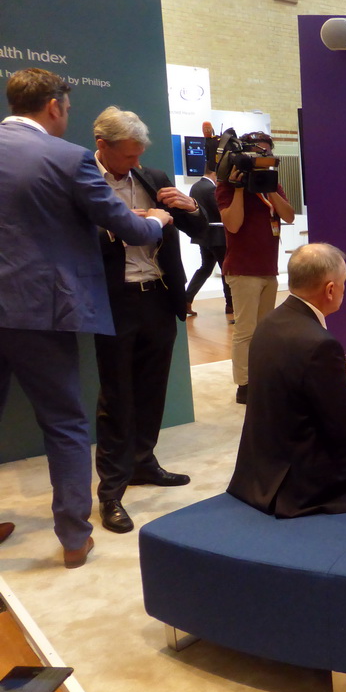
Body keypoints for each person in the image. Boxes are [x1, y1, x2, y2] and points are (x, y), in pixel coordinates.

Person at [0, 68, 169, 567]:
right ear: (54, 106)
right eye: (67, 109)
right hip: (41, 311)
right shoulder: (67, 158)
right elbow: (125, 226)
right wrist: (156, 221)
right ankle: (74, 538)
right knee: (65, 424)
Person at [92, 106, 207, 534]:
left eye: (140, 154)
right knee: (116, 396)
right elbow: (70, 236)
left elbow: (200, 232)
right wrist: (125, 227)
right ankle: (111, 491)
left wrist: (189, 206)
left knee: (153, 387)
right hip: (114, 300)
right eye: (128, 155)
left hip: (158, 297)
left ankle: (143, 462)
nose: (135, 163)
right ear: (102, 146)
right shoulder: (84, 179)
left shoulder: (152, 177)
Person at [227, 243, 346, 518]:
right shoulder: (319, 344)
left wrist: (344, 400)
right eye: (343, 283)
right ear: (330, 289)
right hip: (301, 481)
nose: (343, 289)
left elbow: (295, 400)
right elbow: (345, 429)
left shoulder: (269, 323)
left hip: (259, 471)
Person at [217, 131, 295, 405]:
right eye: (257, 154)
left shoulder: (271, 184)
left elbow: (288, 215)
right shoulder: (226, 186)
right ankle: (244, 385)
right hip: (242, 269)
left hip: (268, 268)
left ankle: (261, 377)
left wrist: (270, 189)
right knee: (246, 330)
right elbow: (233, 224)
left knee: (264, 331)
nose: (263, 159)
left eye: (267, 154)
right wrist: (239, 189)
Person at [185, 162, 233, 320]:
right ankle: (230, 304)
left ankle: (187, 299)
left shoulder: (196, 187)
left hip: (203, 236)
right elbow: (219, 211)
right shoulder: (211, 189)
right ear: (215, 173)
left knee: (205, 268)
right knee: (226, 270)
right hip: (217, 237)